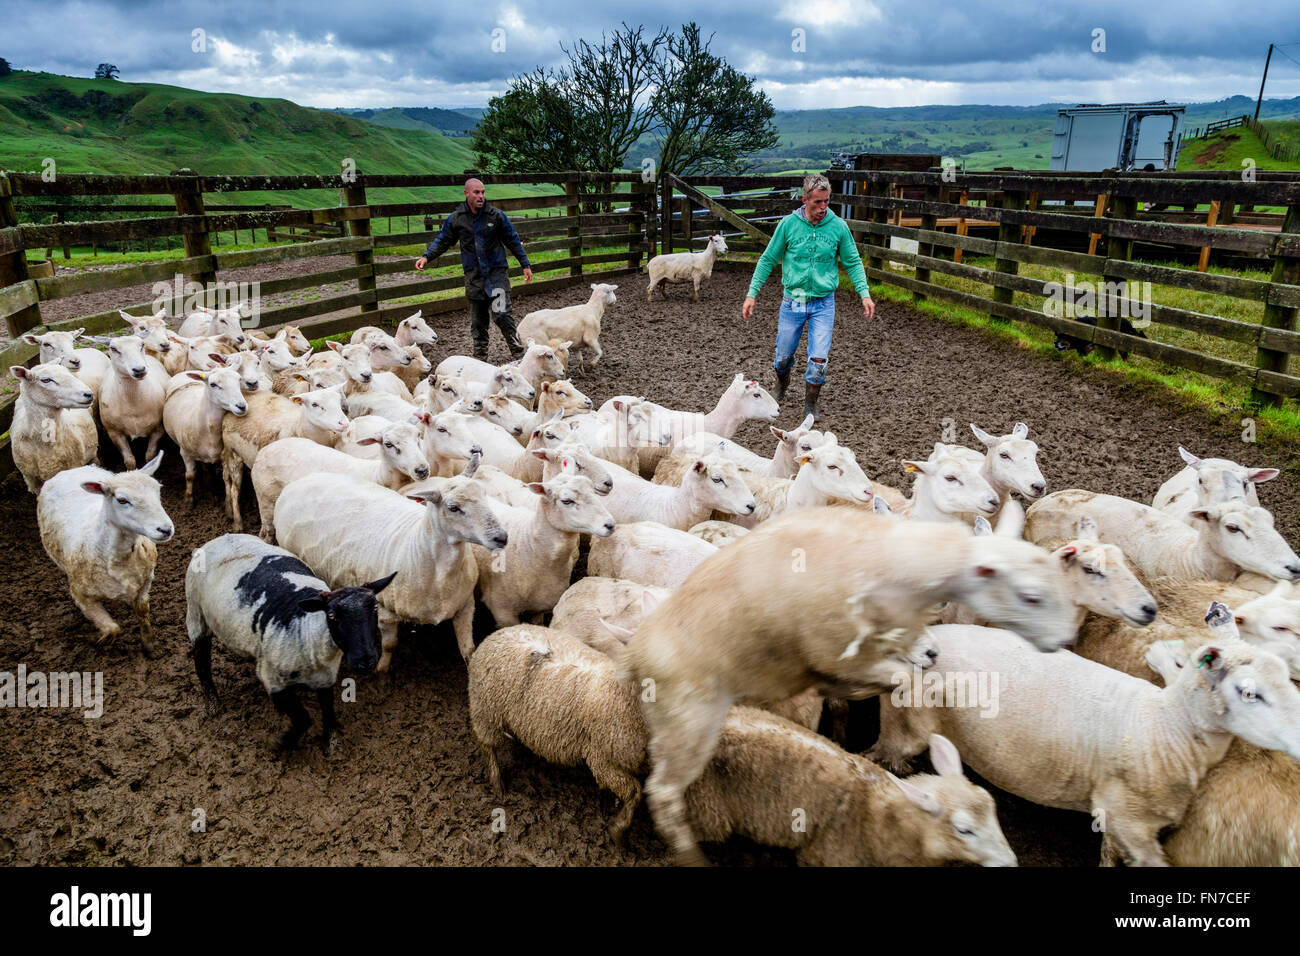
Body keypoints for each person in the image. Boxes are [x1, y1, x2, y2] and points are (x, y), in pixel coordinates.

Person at [742, 173, 875, 421]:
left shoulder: (838, 227)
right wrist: (752, 294)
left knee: (818, 360)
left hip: (823, 303)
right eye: (817, 202)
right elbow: (768, 259)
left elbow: (853, 262)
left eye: (827, 201)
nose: (823, 207)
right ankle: (782, 380)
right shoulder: (788, 225)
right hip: (793, 301)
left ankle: (811, 403)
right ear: (804, 200)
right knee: (782, 356)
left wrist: (864, 294)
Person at [416, 178, 534, 361]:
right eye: (476, 192)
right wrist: (427, 256)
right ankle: (480, 359)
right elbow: (443, 240)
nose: (481, 196)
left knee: (502, 315)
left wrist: (525, 264)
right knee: (478, 323)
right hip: (474, 279)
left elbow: (512, 239)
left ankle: (519, 354)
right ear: (466, 193)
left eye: (483, 192)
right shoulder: (457, 218)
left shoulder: (496, 216)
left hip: (496, 278)